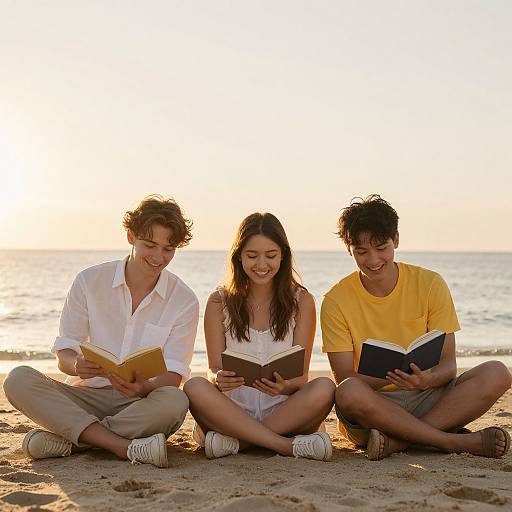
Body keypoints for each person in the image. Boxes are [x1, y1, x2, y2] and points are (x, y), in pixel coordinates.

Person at [3, 195, 199, 468]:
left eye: (168, 249)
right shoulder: (89, 281)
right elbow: (65, 352)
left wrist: (147, 386)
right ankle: (121, 446)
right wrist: (77, 365)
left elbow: (175, 374)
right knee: (17, 379)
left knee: (176, 401)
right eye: (150, 245)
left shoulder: (184, 300)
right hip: (84, 397)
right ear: (131, 236)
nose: (158, 257)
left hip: (138, 404)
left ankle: (72, 440)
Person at [321, 194, 511, 460]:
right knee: (348, 392)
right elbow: (344, 378)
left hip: (429, 398)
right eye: (361, 252)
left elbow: (448, 365)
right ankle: (448, 441)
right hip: (375, 409)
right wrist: (393, 377)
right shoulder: (335, 300)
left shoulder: (430, 284)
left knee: (497, 372)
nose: (373, 259)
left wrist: (428, 379)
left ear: (396, 239)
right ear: (348, 249)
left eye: (381, 247)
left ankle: (399, 442)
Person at [184, 212, 335, 460]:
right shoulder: (218, 301)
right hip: (233, 410)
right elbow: (214, 370)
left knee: (325, 387)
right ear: (239, 257)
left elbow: (301, 377)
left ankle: (241, 443)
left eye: (271, 256)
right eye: (252, 256)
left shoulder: (302, 301)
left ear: (283, 256)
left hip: (284, 411)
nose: (261, 265)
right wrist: (219, 378)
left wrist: (284, 387)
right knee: (194, 385)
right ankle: (284, 446)